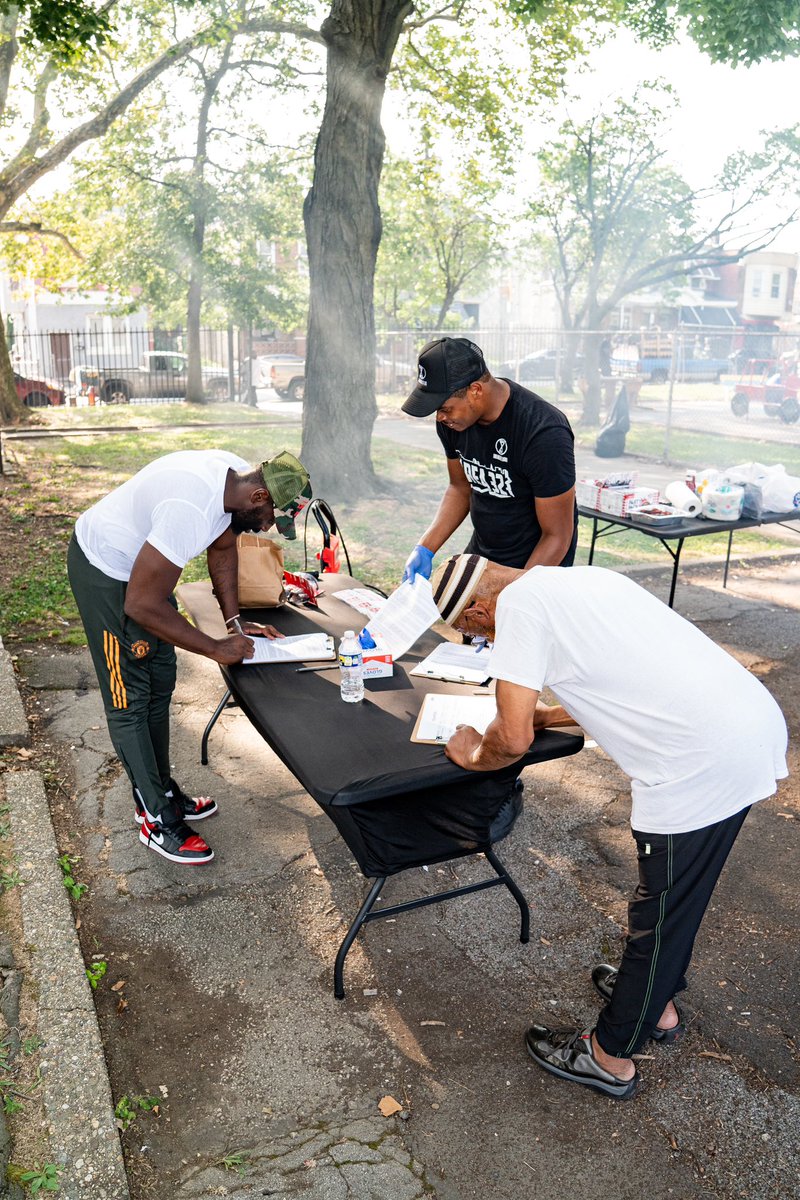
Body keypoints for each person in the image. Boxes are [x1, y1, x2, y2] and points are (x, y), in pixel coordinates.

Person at [429, 553, 788, 1100]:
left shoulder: (517, 609)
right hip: (743, 728)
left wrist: (471, 755)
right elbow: (622, 683)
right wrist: (547, 715)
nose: (483, 641)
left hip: (700, 763)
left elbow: (511, 741)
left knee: (659, 918)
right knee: (677, 902)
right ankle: (656, 1006)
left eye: (476, 634)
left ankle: (608, 1055)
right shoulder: (579, 580)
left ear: (478, 610)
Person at [68, 449, 312, 866]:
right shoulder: (191, 509)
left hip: (144, 575)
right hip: (105, 571)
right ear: (258, 496)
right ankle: (154, 817)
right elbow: (140, 605)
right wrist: (214, 648)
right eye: (272, 518)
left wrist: (234, 622)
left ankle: (161, 789)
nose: (268, 527)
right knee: (129, 698)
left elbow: (223, 548)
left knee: (160, 678)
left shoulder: (235, 481)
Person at [400, 337, 577, 584]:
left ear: (475, 390)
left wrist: (517, 590)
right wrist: (425, 548)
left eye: (444, 408)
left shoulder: (543, 433)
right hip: (483, 554)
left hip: (537, 565)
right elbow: (460, 487)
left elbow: (557, 536)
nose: (439, 417)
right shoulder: (453, 422)